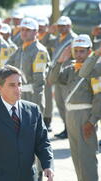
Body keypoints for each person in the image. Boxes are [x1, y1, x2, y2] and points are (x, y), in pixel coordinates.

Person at [0, 65, 54, 181]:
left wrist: (48, 165)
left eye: (19, 84)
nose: (18, 89)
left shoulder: (33, 110)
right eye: (12, 85)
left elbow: (43, 142)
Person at [48, 35, 100, 181]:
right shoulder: (70, 68)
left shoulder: (95, 70)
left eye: (82, 51)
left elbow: (98, 98)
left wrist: (92, 121)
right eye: (76, 51)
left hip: (85, 116)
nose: (78, 55)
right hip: (70, 116)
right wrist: (59, 61)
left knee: (87, 160)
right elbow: (52, 79)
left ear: (89, 51)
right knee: (76, 159)